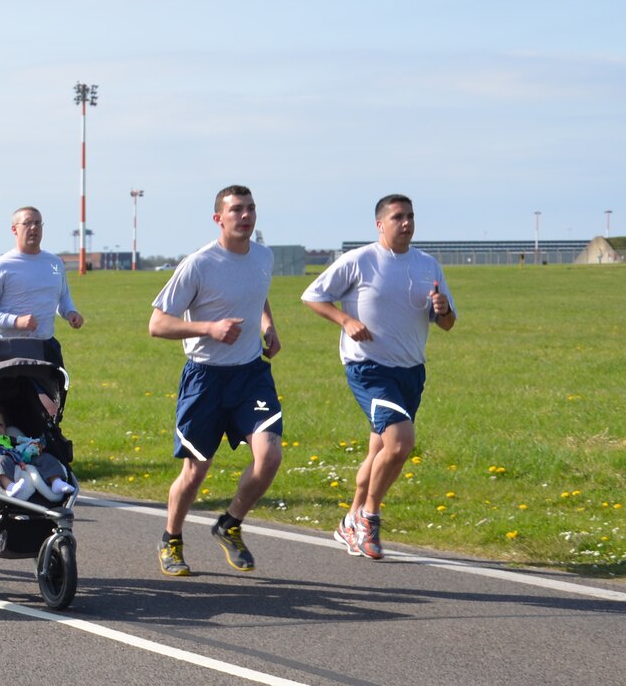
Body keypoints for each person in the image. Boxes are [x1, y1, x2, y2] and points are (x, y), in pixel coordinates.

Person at [301, 194, 457, 560]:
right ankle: (370, 518)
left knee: (379, 449)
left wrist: (444, 309)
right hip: (369, 367)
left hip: (411, 370)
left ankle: (349, 520)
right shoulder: (359, 260)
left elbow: (448, 324)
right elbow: (312, 296)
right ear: (380, 224)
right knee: (400, 444)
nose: (406, 223)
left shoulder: (427, 265)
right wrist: (346, 320)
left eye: (411, 217)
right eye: (398, 217)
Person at [148, 185, 283, 575]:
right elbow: (157, 323)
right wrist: (208, 328)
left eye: (251, 209)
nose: (246, 216)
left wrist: (268, 324)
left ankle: (230, 523)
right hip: (205, 379)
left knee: (270, 455)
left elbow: (257, 293)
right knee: (196, 472)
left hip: (251, 375)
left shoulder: (263, 256)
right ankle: (171, 539)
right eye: (237, 210)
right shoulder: (198, 264)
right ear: (218, 218)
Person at [0, 209, 84, 341]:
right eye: (27, 223)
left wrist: (70, 312)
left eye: (38, 223)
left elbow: (63, 296)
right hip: (9, 347)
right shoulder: (1, 266)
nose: (34, 227)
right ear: (14, 229)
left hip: (46, 344)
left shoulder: (54, 263)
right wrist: (15, 321)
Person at [0, 407, 74, 502]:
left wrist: (32, 444)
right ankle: (9, 486)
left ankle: (56, 481)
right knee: (0, 461)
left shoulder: (8, 438)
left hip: (18, 458)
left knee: (44, 457)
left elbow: (22, 442)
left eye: (0, 424)